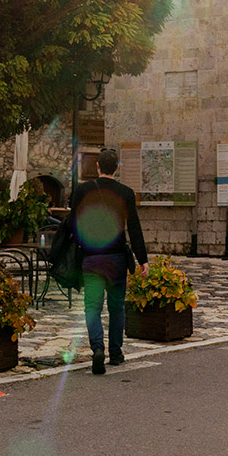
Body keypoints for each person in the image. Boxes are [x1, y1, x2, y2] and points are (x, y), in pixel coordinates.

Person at [71, 147, 148, 375]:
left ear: (97, 167)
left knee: (92, 307)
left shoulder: (82, 190)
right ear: (116, 168)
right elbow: (133, 227)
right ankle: (116, 352)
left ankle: (97, 347)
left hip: (92, 257)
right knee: (116, 307)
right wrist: (142, 259)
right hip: (116, 258)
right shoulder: (126, 193)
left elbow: (73, 223)